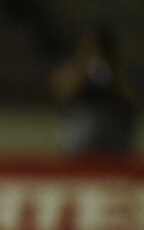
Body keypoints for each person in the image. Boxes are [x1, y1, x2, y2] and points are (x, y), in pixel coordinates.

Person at [50, 27, 137, 155]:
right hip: (82, 134)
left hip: (114, 134)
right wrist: (83, 68)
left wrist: (114, 74)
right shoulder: (75, 70)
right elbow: (63, 92)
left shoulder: (120, 71)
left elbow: (132, 99)